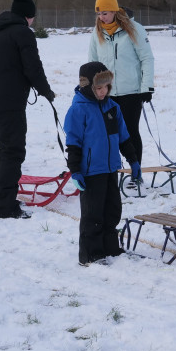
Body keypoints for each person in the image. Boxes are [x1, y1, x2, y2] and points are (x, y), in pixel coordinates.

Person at [0, 0, 55, 219]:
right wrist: (46, 91)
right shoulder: (22, 33)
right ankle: (5, 206)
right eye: (32, 17)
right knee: (13, 152)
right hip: (10, 102)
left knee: (4, 148)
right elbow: (33, 66)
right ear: (28, 15)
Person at [64, 61, 140, 265]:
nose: (103, 92)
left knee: (112, 209)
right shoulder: (78, 110)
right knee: (93, 213)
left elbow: (123, 136)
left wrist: (133, 160)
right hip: (90, 171)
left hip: (110, 169)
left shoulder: (113, 107)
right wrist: (75, 171)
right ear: (87, 86)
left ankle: (110, 247)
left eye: (106, 87)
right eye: (98, 87)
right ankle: (91, 253)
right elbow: (73, 142)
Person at [88, 0, 154, 178]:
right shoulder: (97, 32)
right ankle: (112, 172)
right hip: (106, 94)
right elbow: (92, 62)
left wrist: (146, 87)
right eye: (99, 14)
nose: (102, 18)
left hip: (131, 92)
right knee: (109, 134)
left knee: (131, 133)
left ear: (114, 11)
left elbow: (146, 58)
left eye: (105, 13)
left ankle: (136, 172)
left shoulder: (134, 29)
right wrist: (91, 88)